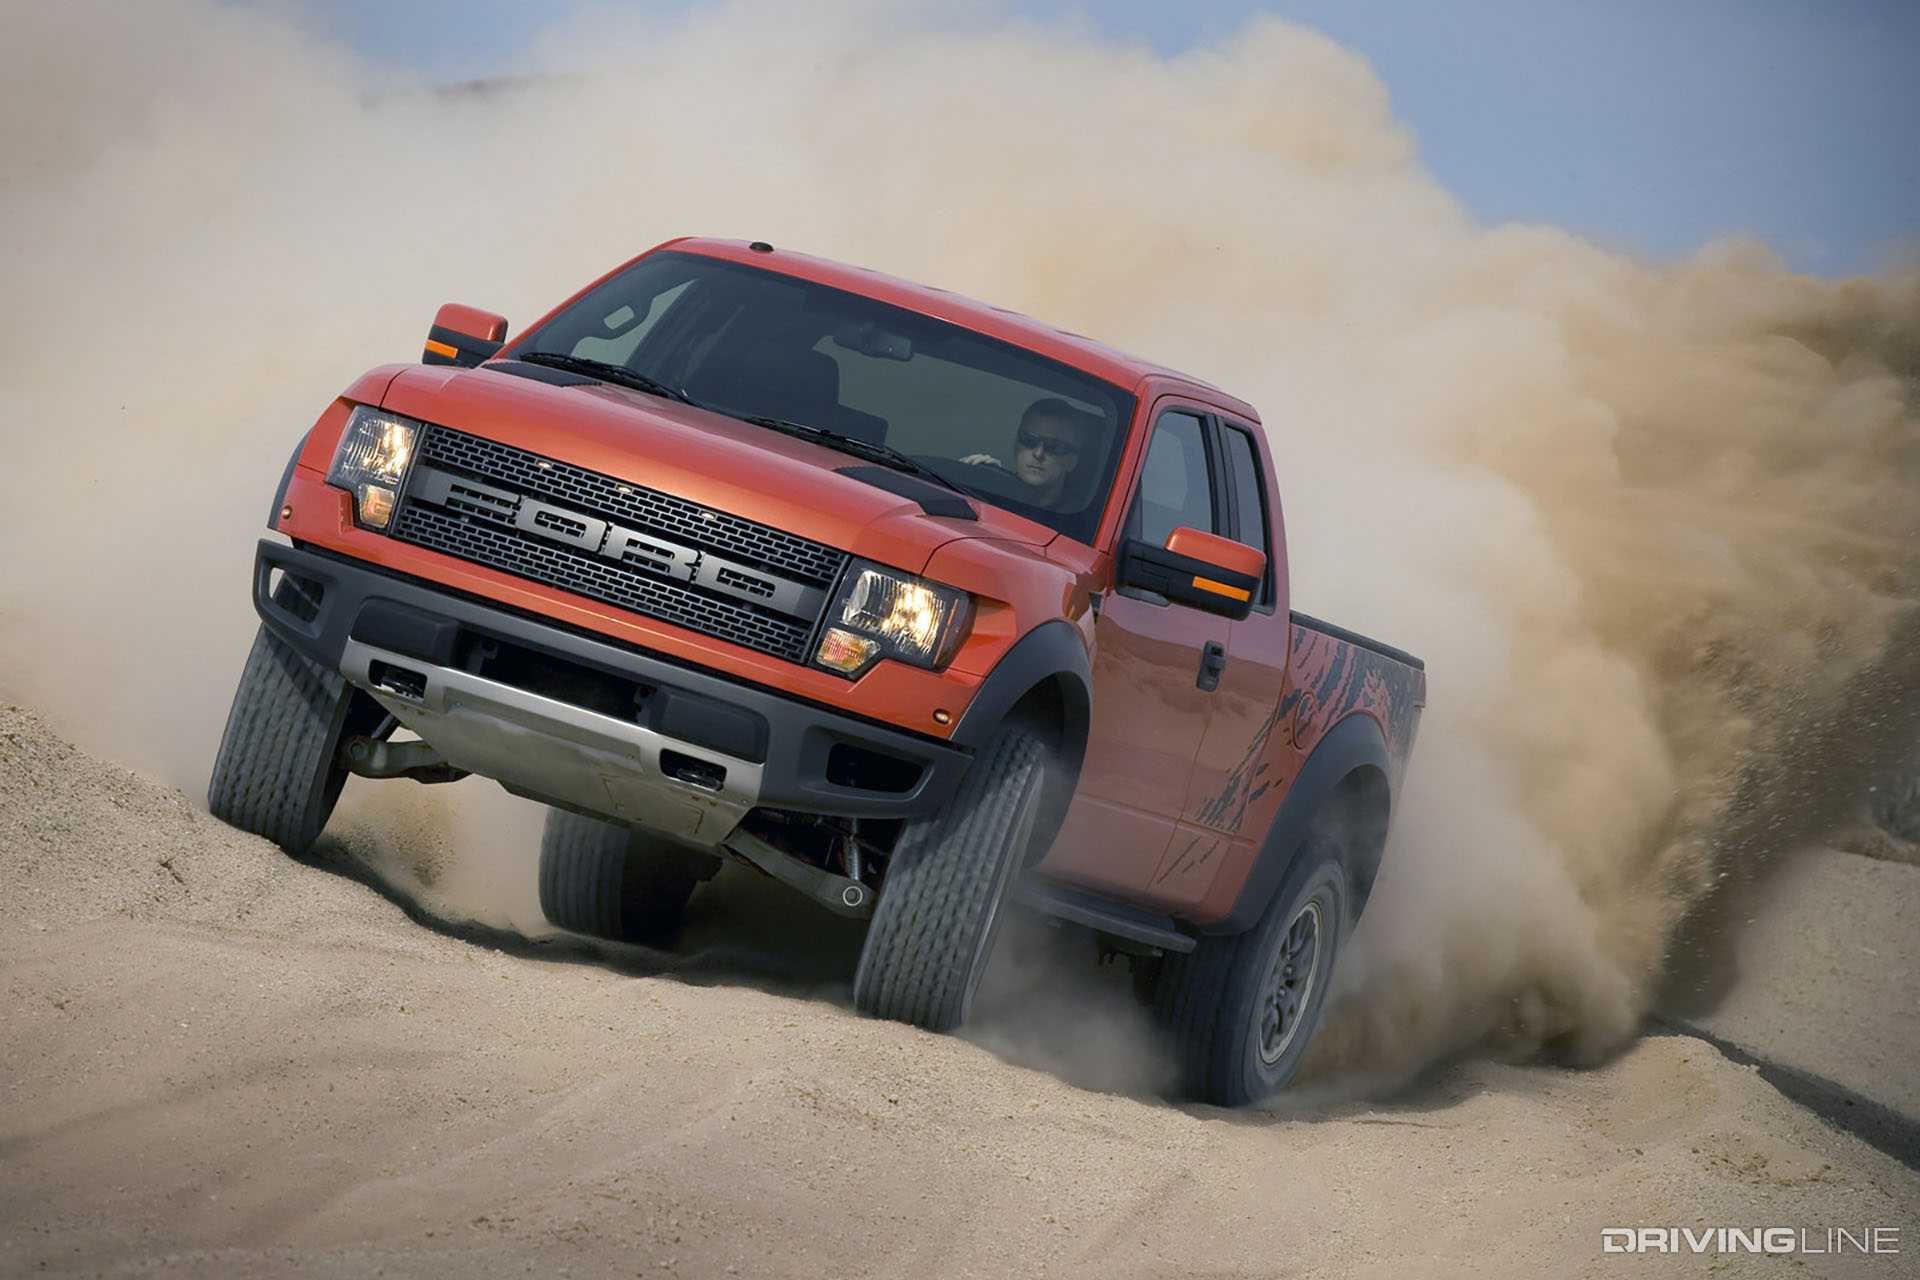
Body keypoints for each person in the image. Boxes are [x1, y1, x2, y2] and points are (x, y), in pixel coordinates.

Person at [962, 398, 1093, 510]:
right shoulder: (989, 487)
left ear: (1072, 462)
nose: (1038, 453)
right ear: (1016, 446)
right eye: (1029, 440)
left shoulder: (1079, 523)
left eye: (1054, 447)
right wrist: (967, 479)